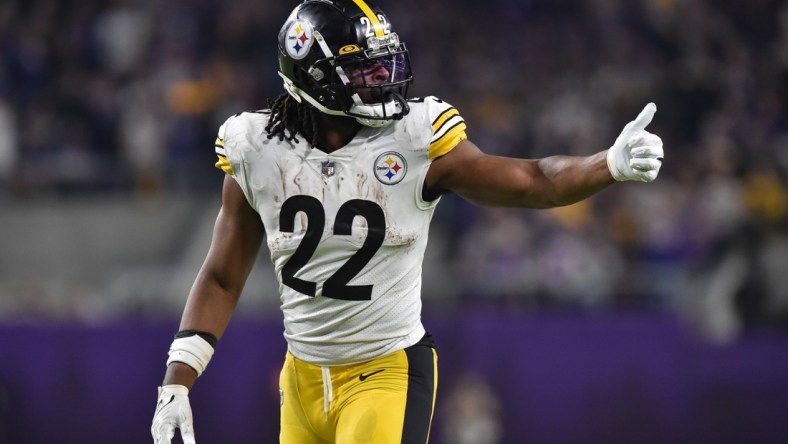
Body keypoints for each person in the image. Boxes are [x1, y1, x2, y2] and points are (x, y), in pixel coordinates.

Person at [150, 1, 664, 443]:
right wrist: (179, 379)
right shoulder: (256, 149)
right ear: (313, 79)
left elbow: (533, 181)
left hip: (386, 371)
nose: (383, 79)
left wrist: (608, 164)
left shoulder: (416, 141)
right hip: (301, 379)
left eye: (384, 64)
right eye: (363, 70)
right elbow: (222, 273)